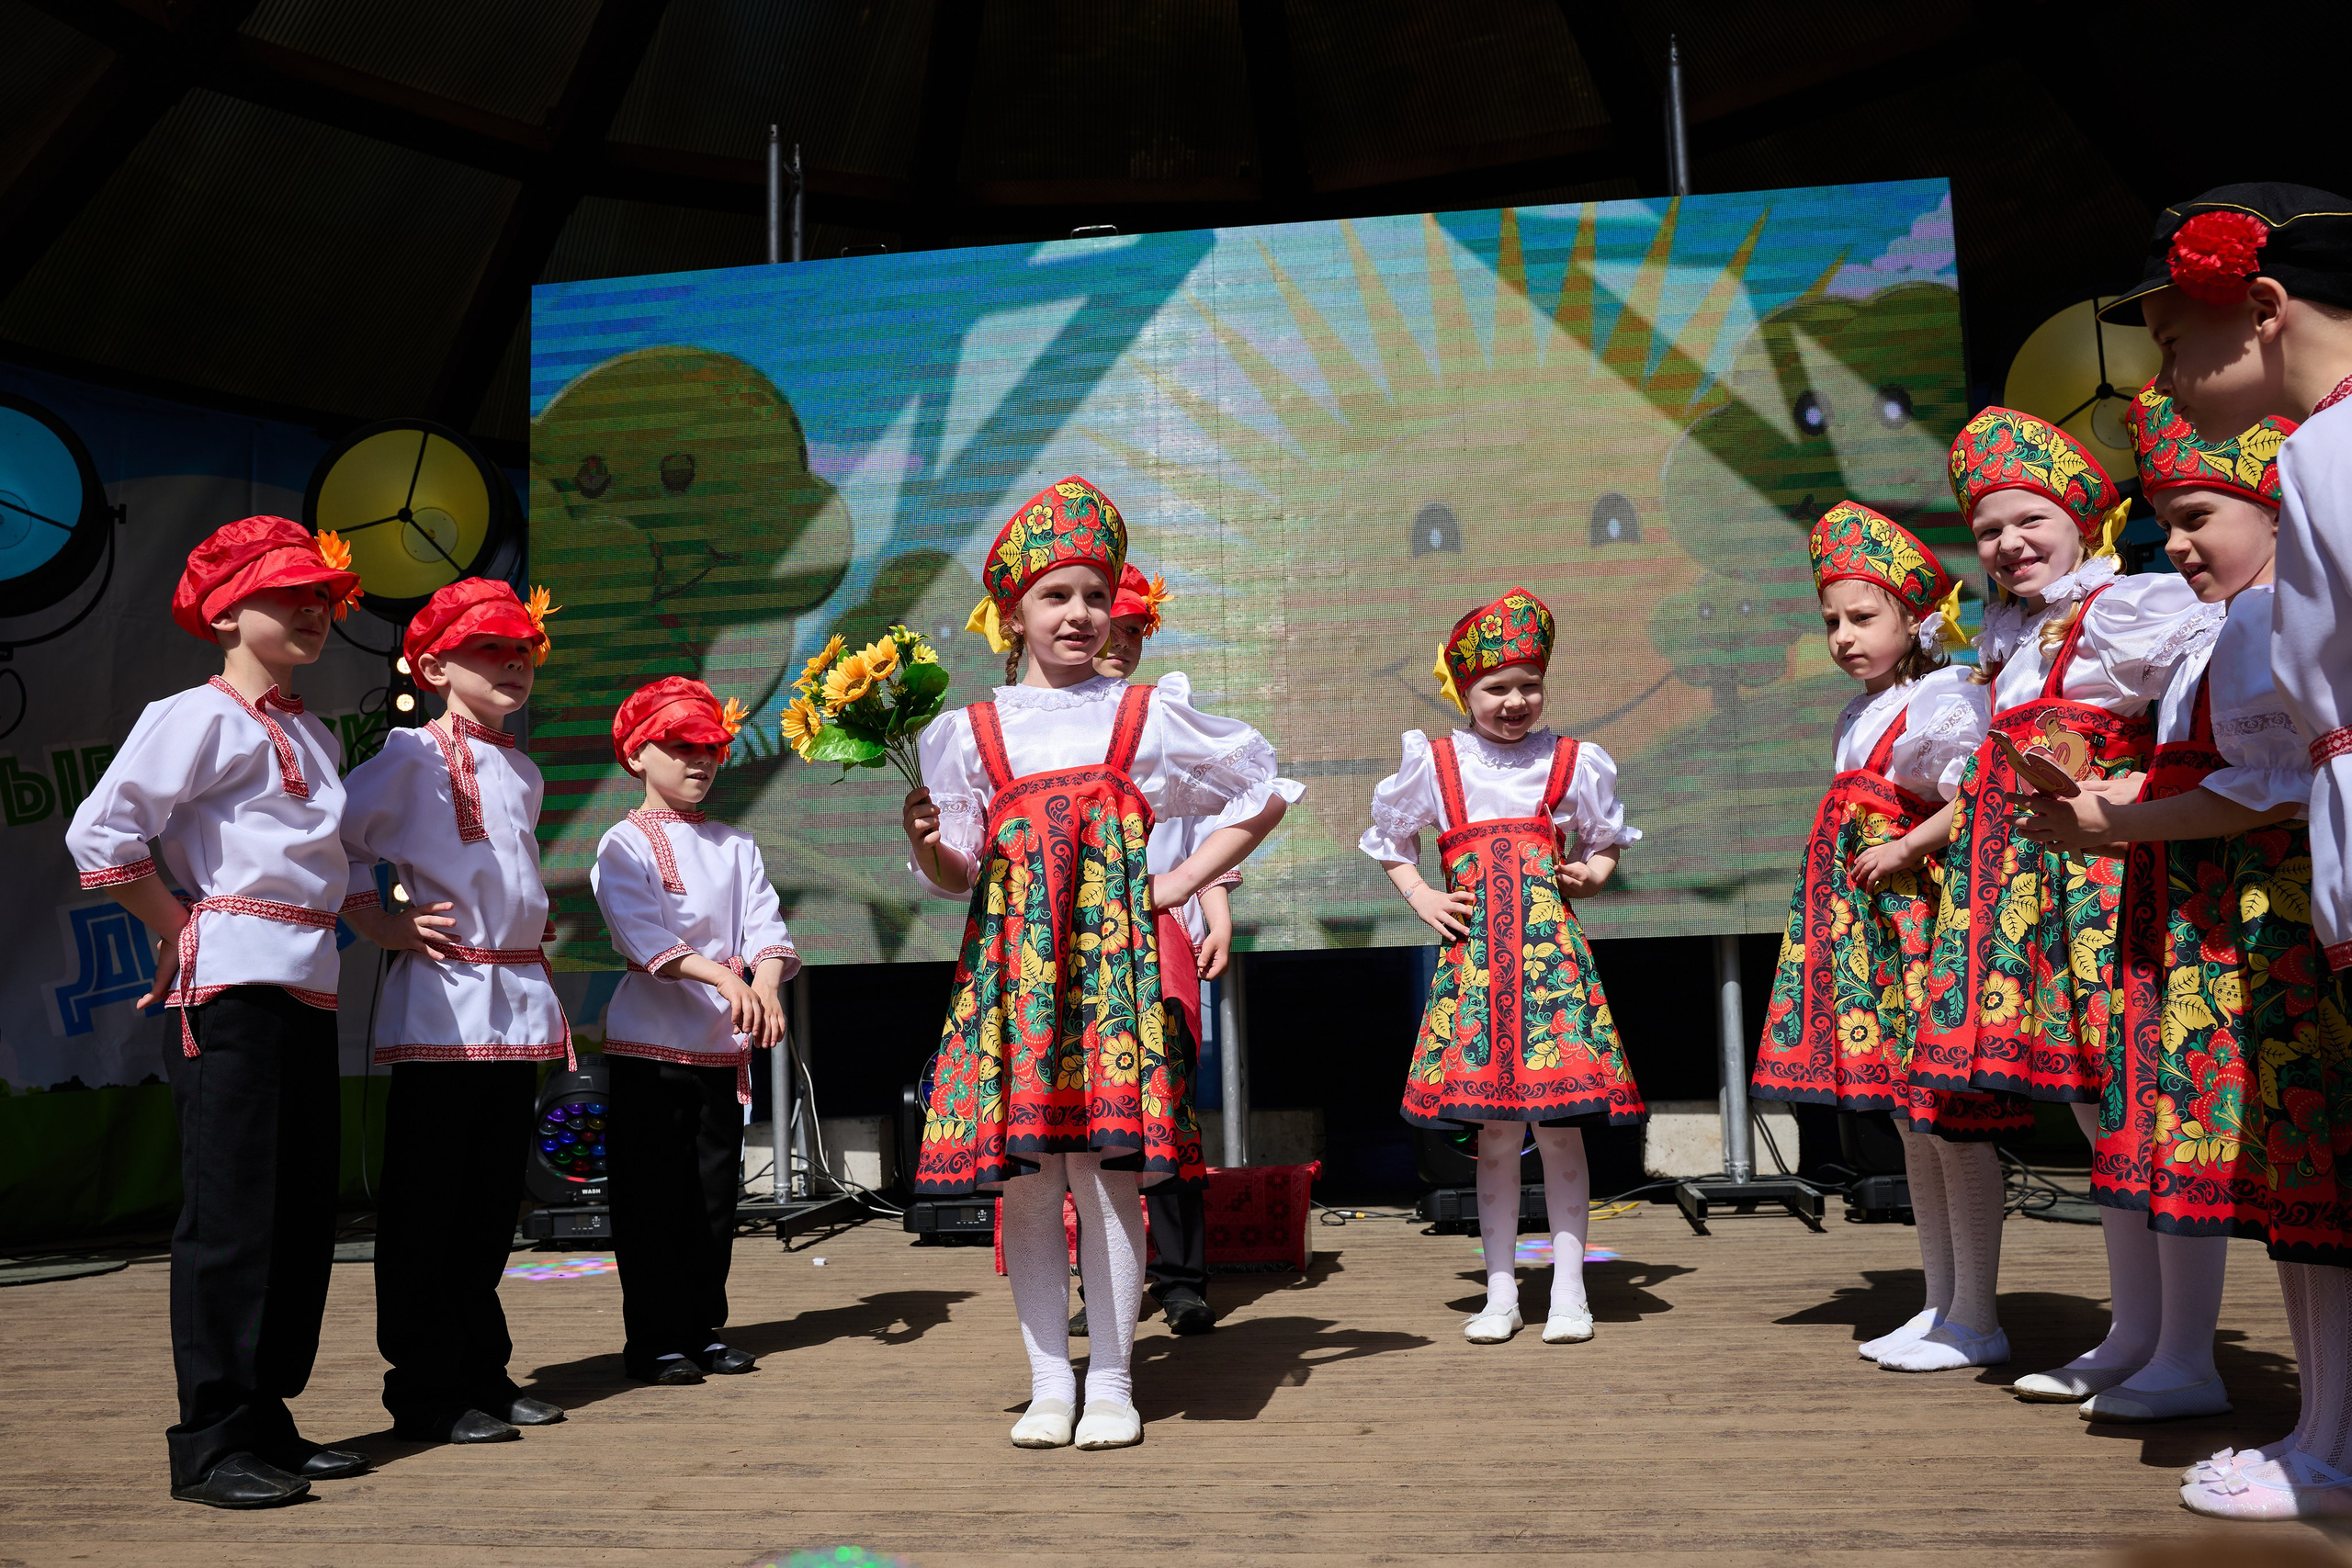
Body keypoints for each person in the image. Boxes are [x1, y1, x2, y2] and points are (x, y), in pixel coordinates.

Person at [900, 476, 1291, 1450]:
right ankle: (1047, 1382)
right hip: (1017, 981)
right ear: (1011, 614)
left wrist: (1180, 881)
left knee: (1108, 1175)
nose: (1077, 614)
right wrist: (924, 844)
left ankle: (1113, 1380)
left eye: (1092, 594)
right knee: (1031, 1183)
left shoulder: (1145, 715)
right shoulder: (970, 733)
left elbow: (1262, 789)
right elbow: (958, 873)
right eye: (1054, 596)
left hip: (1110, 981)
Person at [2094, 184, 2352, 1517]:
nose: (2167, 374)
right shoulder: (2320, 449)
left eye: (2175, 342)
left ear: (2262, 307)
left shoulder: (2329, 452)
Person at [2015, 388, 2304, 1435]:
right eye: (2166, 522)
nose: (2175, 544)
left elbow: (2262, 783)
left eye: (2198, 518)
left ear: (2276, 512)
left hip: (2243, 917)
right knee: (2174, 1124)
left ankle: (2207, 1363)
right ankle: (2174, 1350)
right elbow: (2204, 768)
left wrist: (2111, 822)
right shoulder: (2214, 633)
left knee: (2245, 1139)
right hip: (2187, 911)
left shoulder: (2266, 619)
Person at [1910, 409, 2221, 1378]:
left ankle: (2180, 1350)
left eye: (2027, 521)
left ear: (2085, 519)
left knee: (2139, 1103)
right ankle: (2134, 1334)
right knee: (2095, 1111)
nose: (2007, 544)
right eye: (1990, 529)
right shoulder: (2011, 641)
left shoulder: (2127, 608)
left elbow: (2221, 661)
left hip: (2106, 885)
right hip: (2027, 898)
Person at [64, 515, 367, 1507]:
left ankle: (267, 1416)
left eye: (322, 597)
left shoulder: (311, 733)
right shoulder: (195, 715)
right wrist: (176, 923)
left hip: (305, 979)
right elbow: (101, 830)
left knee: (295, 1212)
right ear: (227, 610)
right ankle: (211, 1438)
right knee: (232, 1210)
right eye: (289, 596)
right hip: (227, 984)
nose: (313, 612)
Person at [1750, 502, 2033, 1372]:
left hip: (1923, 927)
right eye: (1831, 619)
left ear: (1915, 617)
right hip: (1875, 935)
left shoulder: (1942, 697)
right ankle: (1940, 1300)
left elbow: (1980, 790)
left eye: (1863, 616)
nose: (1842, 635)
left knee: (1949, 1119)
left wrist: (1909, 843)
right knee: (1914, 1125)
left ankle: (1978, 1313)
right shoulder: (1858, 712)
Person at [1362, 587, 1645, 1347]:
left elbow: (1605, 838)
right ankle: (1499, 1290)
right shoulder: (1440, 761)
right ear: (1464, 689)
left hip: (1550, 967)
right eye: (1495, 687)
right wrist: (1422, 893)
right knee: (1491, 1135)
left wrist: (1596, 869)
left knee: (1558, 1131)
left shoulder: (1572, 760)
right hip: (1478, 971)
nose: (1514, 700)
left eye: (1528, 684)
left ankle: (1571, 1289)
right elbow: (1391, 840)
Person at [337, 578, 570, 1445]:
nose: (512, 663)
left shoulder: (523, 767)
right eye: (488, 650)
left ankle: (482, 1368)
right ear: (433, 663)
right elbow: (338, 839)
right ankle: (425, 1386)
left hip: (511, 1001)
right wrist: (383, 920)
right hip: (443, 1004)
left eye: (522, 650)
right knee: (428, 1205)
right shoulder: (411, 755)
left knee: (486, 1203)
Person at [1079, 563, 1301, 1337]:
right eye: (1115, 624)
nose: (1121, 641)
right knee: (1083, 1109)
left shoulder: (1159, 718)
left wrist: (1216, 910)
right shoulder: (1049, 720)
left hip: (1154, 932)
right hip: (1071, 940)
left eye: (1137, 629)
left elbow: (1206, 829)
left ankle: (1179, 1279)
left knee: (1164, 1106)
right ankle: (1103, 1280)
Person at [593, 677, 797, 1386]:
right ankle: (653, 1338)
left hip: (718, 1048)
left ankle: (701, 1327)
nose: (699, 761)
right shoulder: (623, 843)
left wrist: (764, 981)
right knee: (652, 1196)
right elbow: (640, 934)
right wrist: (723, 978)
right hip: (649, 1047)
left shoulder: (736, 843)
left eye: (710, 747)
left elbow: (766, 925)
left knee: (713, 1194)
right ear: (636, 752)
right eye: (680, 746)